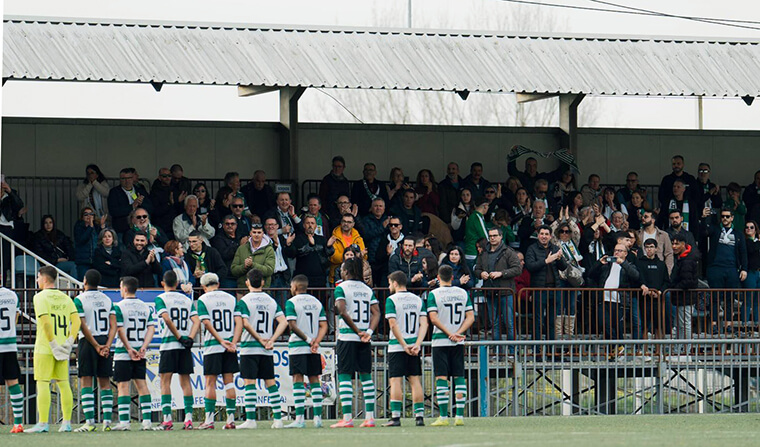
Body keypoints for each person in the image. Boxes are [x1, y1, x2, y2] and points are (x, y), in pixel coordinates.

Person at [26, 267, 80, 433]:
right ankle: (67, 423)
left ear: (43, 278)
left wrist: (53, 343)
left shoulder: (39, 297)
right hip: (63, 347)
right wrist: (69, 342)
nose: (37, 281)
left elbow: (46, 322)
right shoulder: (65, 297)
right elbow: (76, 321)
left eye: (37, 277)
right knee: (63, 383)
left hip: (45, 346)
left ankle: (43, 423)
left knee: (42, 382)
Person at [233, 269, 288, 430]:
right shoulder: (271, 301)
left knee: (249, 383)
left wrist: (258, 338)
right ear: (263, 282)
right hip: (266, 348)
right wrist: (271, 339)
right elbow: (283, 322)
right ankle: (278, 419)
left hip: (250, 347)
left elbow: (245, 323)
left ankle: (251, 419)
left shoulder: (244, 301)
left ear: (247, 282)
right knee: (270, 382)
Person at [331, 258, 380, 428]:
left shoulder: (341, 288)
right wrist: (368, 332)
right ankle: (370, 417)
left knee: (345, 376)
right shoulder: (367, 289)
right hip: (364, 339)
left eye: (342, 269)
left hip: (347, 337)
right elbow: (376, 313)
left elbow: (341, 310)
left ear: (346, 271)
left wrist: (356, 330)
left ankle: (347, 417)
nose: (341, 272)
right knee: (366, 377)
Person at [427, 264, 474, 427]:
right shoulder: (463, 293)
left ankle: (443, 416)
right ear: (453, 277)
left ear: (438, 278)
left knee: (442, 377)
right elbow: (470, 317)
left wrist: (448, 333)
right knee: (459, 376)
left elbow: (433, 318)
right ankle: (459, 416)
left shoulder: (433, 294)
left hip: (441, 340)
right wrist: (458, 332)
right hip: (458, 340)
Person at [155, 271, 200, 430]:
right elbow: (196, 321)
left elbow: (166, 318)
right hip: (184, 346)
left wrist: (179, 337)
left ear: (163, 283)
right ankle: (188, 419)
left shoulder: (161, 298)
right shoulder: (186, 299)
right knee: (185, 381)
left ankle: (167, 419)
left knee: (165, 381)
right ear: (177, 283)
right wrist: (190, 338)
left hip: (169, 345)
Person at [73, 270, 117, 432]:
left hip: (88, 342)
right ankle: (107, 422)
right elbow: (114, 325)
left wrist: (95, 345)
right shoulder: (107, 299)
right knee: (105, 382)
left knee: (86, 381)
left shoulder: (79, 299)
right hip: (104, 341)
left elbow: (82, 324)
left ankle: (90, 422)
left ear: (85, 281)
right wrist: (107, 345)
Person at [111, 276, 156, 431]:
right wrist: (144, 346)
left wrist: (129, 348)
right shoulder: (144, 306)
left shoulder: (118, 306)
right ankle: (147, 421)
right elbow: (151, 328)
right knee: (142, 384)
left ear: (124, 288)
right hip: (140, 351)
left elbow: (120, 329)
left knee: (123, 386)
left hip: (124, 352)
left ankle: (124, 422)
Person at [384, 271, 428, 427]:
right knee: (415, 380)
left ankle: (395, 417)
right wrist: (418, 343)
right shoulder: (417, 300)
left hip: (398, 346)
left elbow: (393, 324)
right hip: (414, 346)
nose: (389, 286)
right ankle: (419, 417)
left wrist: (403, 344)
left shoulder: (391, 300)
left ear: (395, 283)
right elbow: (425, 323)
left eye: (390, 283)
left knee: (395, 380)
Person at [284, 275, 328, 428]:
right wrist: (316, 341)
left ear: (294, 287)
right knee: (314, 379)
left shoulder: (291, 302)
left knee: (298, 379)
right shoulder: (316, 302)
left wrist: (309, 340)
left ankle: (300, 419)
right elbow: (324, 325)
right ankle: (317, 418)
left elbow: (292, 325)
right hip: (313, 348)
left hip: (298, 346)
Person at [196, 273, 239, 430]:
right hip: (230, 344)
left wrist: (220, 340)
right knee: (229, 382)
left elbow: (206, 322)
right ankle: (231, 420)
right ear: (218, 283)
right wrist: (233, 341)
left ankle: (209, 420)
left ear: (204, 287)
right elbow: (239, 321)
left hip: (213, 345)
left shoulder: (203, 300)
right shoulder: (231, 298)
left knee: (210, 382)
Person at [703, 208, 748, 334]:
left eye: (728, 216)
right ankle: (714, 324)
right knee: (715, 297)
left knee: (730, 297)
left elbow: (743, 253)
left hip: (732, 268)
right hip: (715, 268)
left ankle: (728, 324)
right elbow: (703, 231)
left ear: (732, 218)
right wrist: (703, 218)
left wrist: (744, 268)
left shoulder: (738, 234)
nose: (725, 219)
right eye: (723, 216)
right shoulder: (715, 230)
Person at [475, 227, 521, 343]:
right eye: (490, 236)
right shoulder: (483, 253)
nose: (492, 238)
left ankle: (512, 352)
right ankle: (497, 352)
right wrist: (481, 274)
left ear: (501, 237)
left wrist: (501, 273)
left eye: (495, 236)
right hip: (490, 291)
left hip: (506, 292)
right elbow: (477, 269)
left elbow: (517, 269)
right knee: (494, 323)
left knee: (509, 322)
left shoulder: (508, 252)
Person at [587, 243, 641, 343]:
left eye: (620, 251)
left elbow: (636, 276)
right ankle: (614, 350)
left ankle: (618, 350)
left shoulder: (629, 265)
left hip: (619, 302)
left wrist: (622, 263)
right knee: (605, 325)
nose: (616, 252)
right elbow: (590, 274)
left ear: (625, 253)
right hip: (603, 300)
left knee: (617, 327)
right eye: (615, 250)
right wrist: (599, 263)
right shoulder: (607, 265)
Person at [526, 225, 567, 341]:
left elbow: (563, 268)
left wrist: (559, 258)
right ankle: (537, 352)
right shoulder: (532, 249)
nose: (544, 236)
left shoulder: (555, 248)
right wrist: (546, 261)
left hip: (554, 289)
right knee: (537, 321)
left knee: (551, 322)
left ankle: (550, 352)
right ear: (538, 235)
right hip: (539, 289)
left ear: (550, 236)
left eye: (546, 234)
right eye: (542, 234)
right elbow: (530, 266)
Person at [666, 233, 700, 354]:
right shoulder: (683, 258)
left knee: (684, 324)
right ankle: (679, 349)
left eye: (676, 244)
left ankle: (686, 350)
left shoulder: (688, 259)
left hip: (686, 298)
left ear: (683, 244)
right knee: (681, 324)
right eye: (673, 243)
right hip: (682, 297)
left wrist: (674, 287)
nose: (674, 246)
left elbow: (688, 281)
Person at [284, 215, 334, 288]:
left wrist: (329, 246)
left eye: (312, 223)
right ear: (304, 225)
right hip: (302, 280)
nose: (310, 225)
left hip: (320, 279)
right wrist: (288, 245)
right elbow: (291, 254)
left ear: (316, 226)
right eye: (308, 223)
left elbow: (329, 254)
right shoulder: (298, 239)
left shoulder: (322, 239)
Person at [0, 284, 24, 433]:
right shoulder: (12, 295)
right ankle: (18, 423)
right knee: (13, 382)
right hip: (9, 345)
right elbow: (15, 318)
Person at [637, 239, 670, 338]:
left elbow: (666, 281)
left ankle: (658, 351)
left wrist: (659, 292)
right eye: (647, 247)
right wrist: (644, 287)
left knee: (658, 325)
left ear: (656, 249)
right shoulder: (640, 262)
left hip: (658, 299)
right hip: (644, 298)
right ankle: (644, 351)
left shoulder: (661, 264)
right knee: (645, 325)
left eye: (651, 247)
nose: (649, 249)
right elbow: (639, 278)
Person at [108, 167, 152, 236]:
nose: (127, 181)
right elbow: (113, 211)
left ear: (133, 178)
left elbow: (151, 208)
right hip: (121, 228)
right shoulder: (114, 192)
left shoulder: (140, 190)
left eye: (129, 178)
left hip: (140, 228)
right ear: (120, 179)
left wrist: (141, 203)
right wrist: (132, 206)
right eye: (124, 178)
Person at [231, 223, 276, 288]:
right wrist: (244, 266)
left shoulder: (269, 250)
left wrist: (252, 264)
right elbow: (234, 270)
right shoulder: (241, 248)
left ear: (263, 234)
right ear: (250, 233)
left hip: (262, 290)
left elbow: (269, 270)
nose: (256, 235)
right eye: (254, 232)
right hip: (243, 290)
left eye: (259, 232)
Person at [328, 213, 365, 284]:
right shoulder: (334, 237)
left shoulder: (358, 238)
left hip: (355, 276)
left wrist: (347, 256)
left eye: (349, 222)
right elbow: (334, 258)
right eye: (344, 221)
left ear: (353, 224)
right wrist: (354, 257)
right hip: (337, 276)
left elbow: (364, 257)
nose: (346, 224)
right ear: (341, 222)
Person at [211, 215, 244, 289]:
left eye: (232, 224)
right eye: (227, 224)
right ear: (223, 225)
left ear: (236, 225)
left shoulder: (241, 237)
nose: (230, 226)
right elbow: (224, 254)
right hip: (227, 277)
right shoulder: (218, 239)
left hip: (241, 276)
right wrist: (239, 245)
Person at [74, 206, 107, 279]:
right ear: (82, 217)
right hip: (83, 261)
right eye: (86, 214)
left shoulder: (96, 226)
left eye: (91, 214)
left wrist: (102, 226)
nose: (89, 216)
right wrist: (90, 227)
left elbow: (102, 239)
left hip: (96, 260)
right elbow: (82, 240)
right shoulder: (79, 226)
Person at [361, 198, 389, 285]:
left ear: (384, 208)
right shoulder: (365, 220)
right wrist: (382, 227)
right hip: (371, 259)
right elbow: (366, 235)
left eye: (380, 206)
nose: (378, 208)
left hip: (384, 260)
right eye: (376, 206)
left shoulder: (388, 220)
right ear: (371, 208)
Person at [150, 167, 183, 239]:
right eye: (164, 176)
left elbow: (178, 208)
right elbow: (155, 211)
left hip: (174, 224)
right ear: (159, 177)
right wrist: (169, 203)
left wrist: (178, 202)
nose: (167, 178)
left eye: (169, 176)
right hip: (162, 225)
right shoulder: (155, 191)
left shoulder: (175, 189)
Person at [742, 221, 760, 325]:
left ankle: (757, 323)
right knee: (748, 298)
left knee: (757, 300)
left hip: (758, 272)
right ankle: (745, 323)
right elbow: (752, 249)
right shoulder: (745, 241)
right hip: (750, 272)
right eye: (747, 227)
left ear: (755, 229)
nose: (749, 229)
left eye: (751, 227)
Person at [464, 197, 490, 267]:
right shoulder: (477, 217)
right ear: (485, 206)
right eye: (488, 206)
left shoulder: (472, 217)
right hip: (474, 253)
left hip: (469, 251)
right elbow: (484, 235)